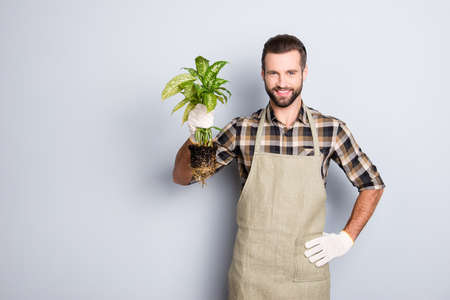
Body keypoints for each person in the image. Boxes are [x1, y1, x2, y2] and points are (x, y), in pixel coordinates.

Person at [172, 34, 385, 300]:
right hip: (250, 278)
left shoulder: (330, 130)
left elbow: (372, 184)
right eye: (274, 73)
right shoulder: (242, 130)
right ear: (262, 74)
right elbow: (184, 177)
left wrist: (345, 239)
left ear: (304, 73)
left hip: (306, 277)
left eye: (290, 72)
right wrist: (196, 134)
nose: (282, 82)